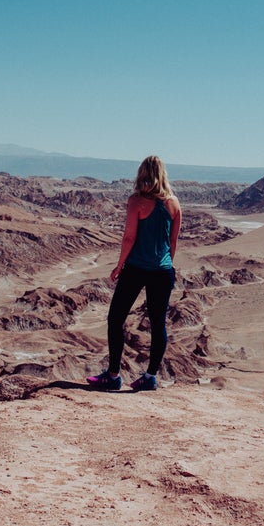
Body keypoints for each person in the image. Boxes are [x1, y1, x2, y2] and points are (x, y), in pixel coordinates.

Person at [87, 155, 181, 392]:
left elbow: (129, 237)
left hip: (137, 269)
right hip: (163, 270)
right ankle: (150, 377)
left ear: (142, 174)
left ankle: (113, 375)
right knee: (158, 324)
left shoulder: (136, 201)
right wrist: (166, 264)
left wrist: (119, 266)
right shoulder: (174, 203)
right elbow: (173, 241)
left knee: (116, 318)